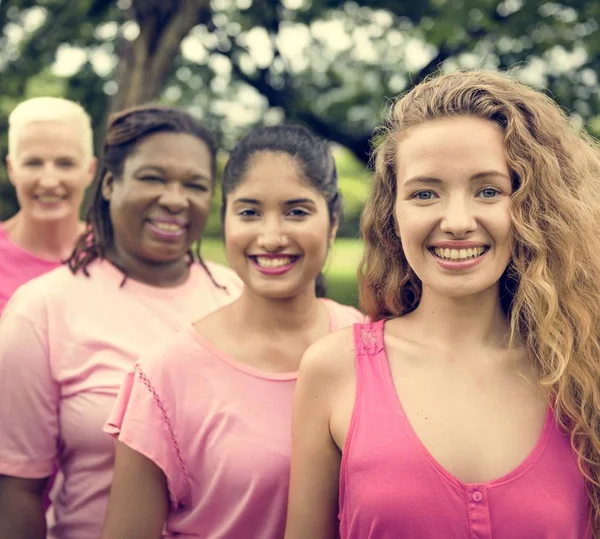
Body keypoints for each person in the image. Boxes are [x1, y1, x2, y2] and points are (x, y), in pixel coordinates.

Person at [284, 70, 600, 539]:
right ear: (394, 213)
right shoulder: (333, 370)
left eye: (489, 190)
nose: (456, 221)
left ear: (535, 207)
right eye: (425, 193)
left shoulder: (584, 369)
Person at [99, 124, 364, 539]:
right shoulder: (166, 375)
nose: (272, 236)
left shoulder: (371, 343)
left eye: (297, 211)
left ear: (332, 224)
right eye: (249, 212)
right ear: (224, 222)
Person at [0, 104, 242, 539]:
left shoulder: (237, 297)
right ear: (109, 183)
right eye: (153, 177)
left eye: (195, 184)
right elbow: (18, 491)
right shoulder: (41, 309)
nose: (174, 198)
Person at [0, 97, 96, 314]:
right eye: (33, 163)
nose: (49, 181)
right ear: (12, 169)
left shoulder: (117, 256)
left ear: (90, 171)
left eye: (65, 164)